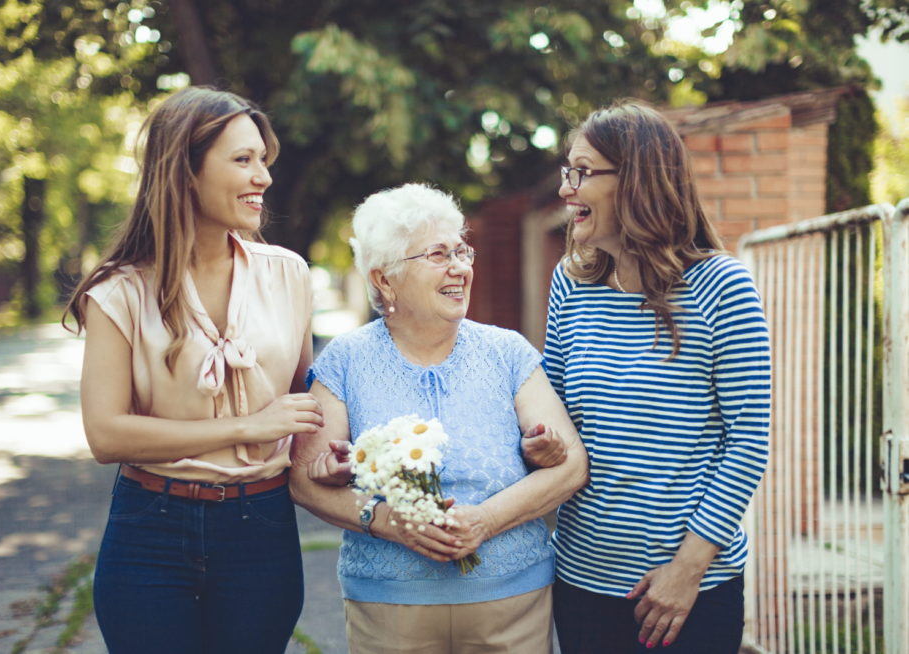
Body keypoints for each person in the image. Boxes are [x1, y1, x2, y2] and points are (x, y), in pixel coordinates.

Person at [62, 86, 322, 654]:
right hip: (148, 530)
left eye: (264, 160)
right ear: (185, 170)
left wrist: (337, 455)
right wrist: (245, 427)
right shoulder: (119, 292)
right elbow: (106, 434)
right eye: (243, 160)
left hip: (262, 528)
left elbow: (308, 403)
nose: (264, 177)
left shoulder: (290, 275)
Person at [289, 183, 589, 654]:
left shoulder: (506, 352)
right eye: (436, 254)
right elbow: (304, 480)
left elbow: (572, 464)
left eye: (461, 251)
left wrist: (485, 521)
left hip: (512, 602)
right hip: (389, 606)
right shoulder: (345, 360)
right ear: (384, 279)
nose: (460, 268)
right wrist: (388, 521)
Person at [545, 100, 771, 653]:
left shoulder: (723, 287)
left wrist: (687, 571)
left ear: (637, 181)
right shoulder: (570, 283)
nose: (565, 189)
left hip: (688, 591)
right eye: (565, 172)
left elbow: (747, 440)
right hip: (581, 580)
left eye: (581, 172)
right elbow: (549, 420)